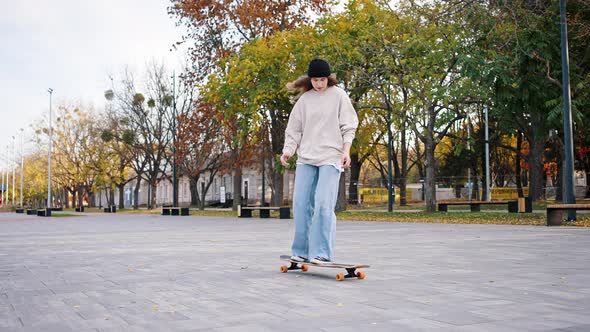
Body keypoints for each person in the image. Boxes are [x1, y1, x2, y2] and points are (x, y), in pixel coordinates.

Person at [280, 58, 358, 265]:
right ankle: (302, 250)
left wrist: (346, 151)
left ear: (328, 78)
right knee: (301, 203)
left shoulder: (339, 96)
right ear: (310, 80)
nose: (319, 84)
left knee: (323, 203)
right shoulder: (304, 100)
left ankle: (322, 251)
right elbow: (294, 129)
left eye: (322, 80)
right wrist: (288, 151)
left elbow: (348, 126)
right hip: (306, 158)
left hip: (331, 157)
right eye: (315, 80)